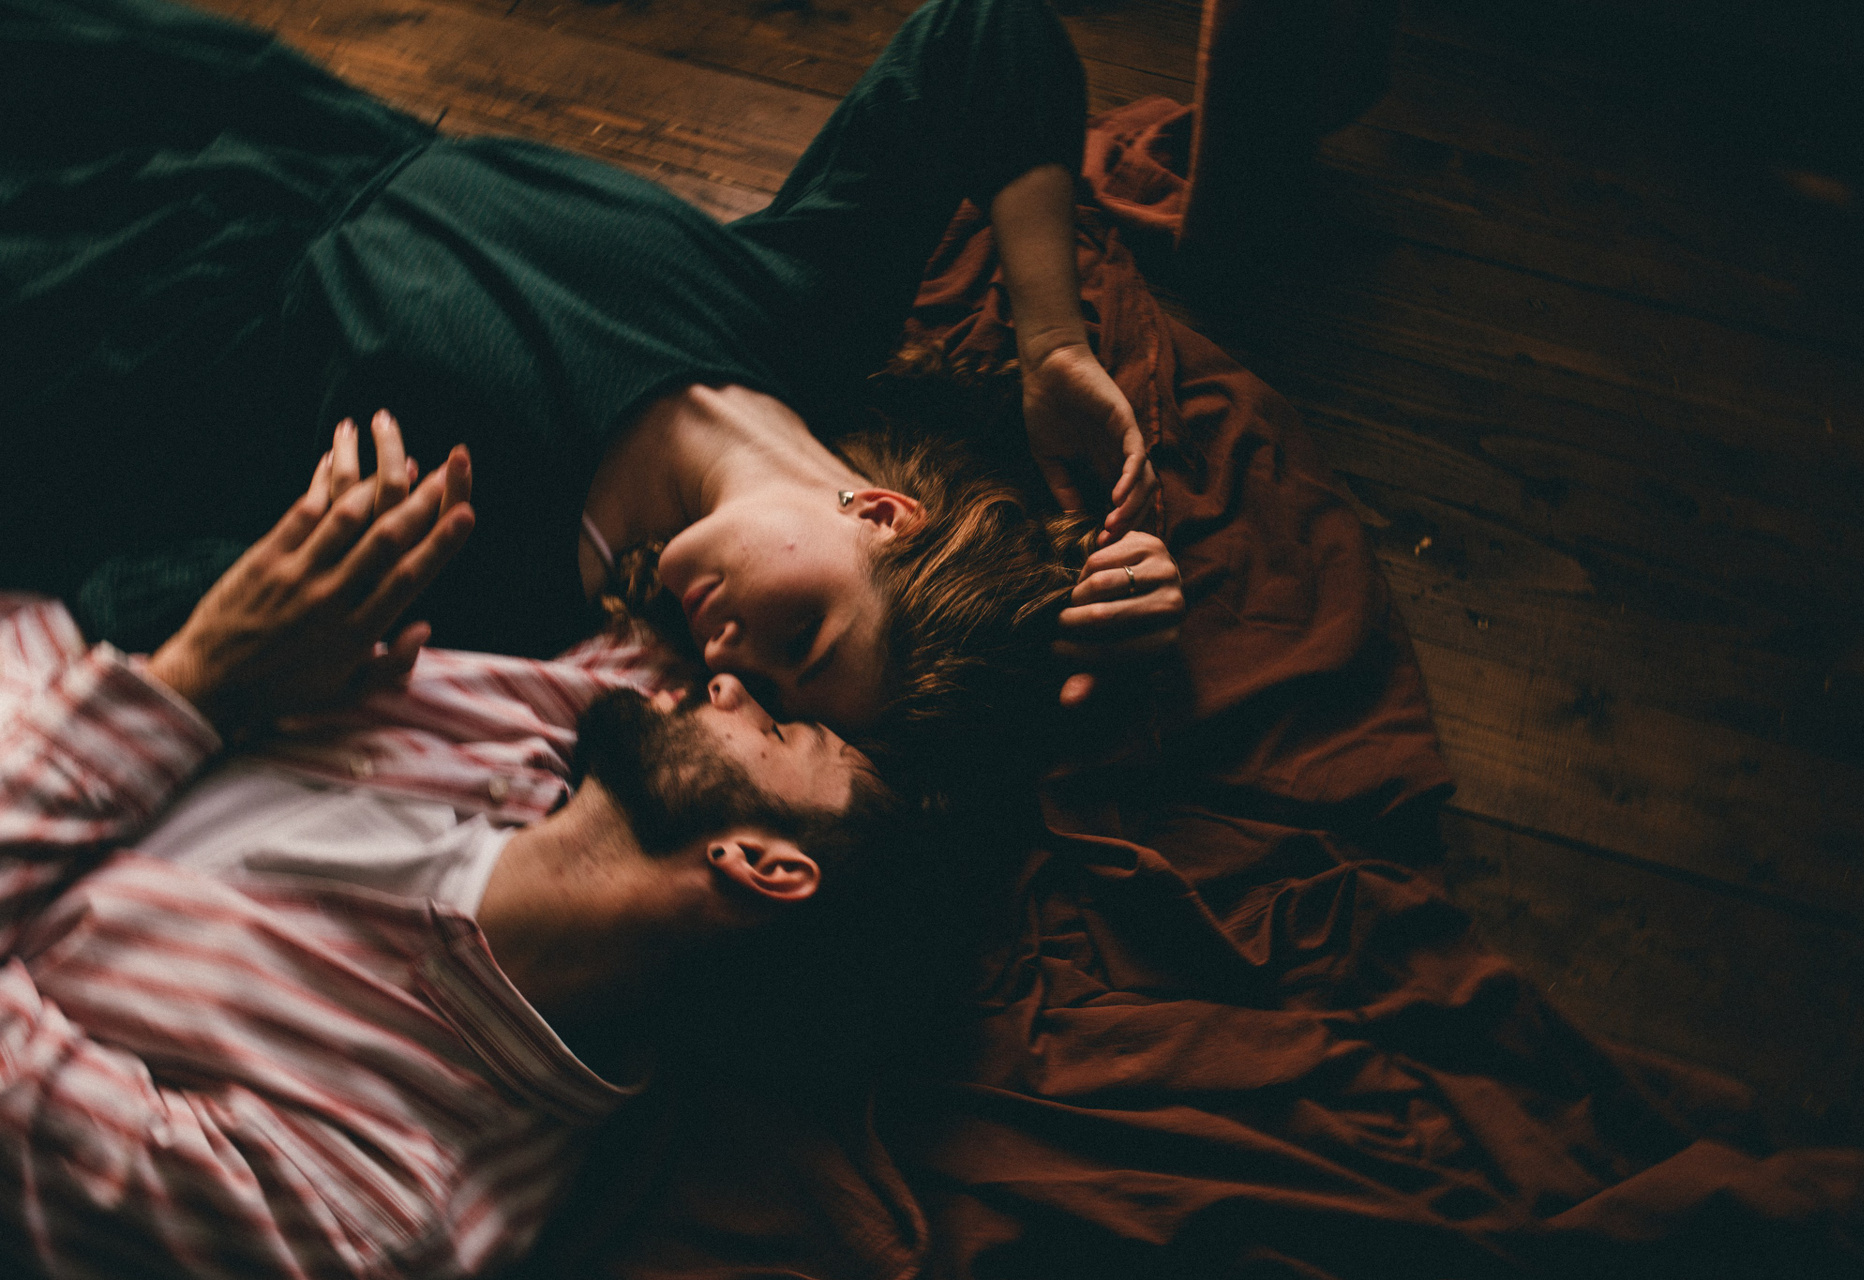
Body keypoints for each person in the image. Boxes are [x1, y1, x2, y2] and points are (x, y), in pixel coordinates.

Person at [1, 0, 1187, 741]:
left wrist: (287, 633)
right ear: (880, 513)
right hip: (266, 120)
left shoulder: (514, 581)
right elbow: (986, 37)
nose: (729, 662)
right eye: (802, 640)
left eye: (765, 695)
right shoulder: (803, 316)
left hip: (111, 305)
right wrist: (1053, 345)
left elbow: (129, 596)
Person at [0, 429, 904, 1278]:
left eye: (779, 732)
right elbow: (740, 470)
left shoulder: (371, 1201)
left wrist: (198, 680)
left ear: (762, 864)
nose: (730, 686)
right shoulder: (591, 713)